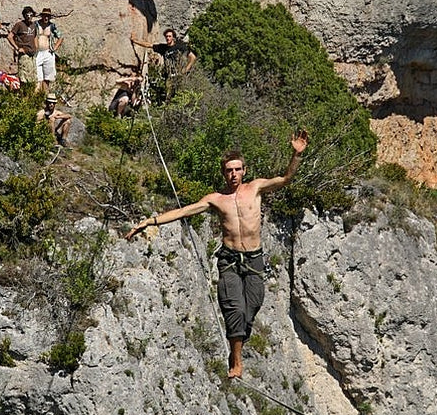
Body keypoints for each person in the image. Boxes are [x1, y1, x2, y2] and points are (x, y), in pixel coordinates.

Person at [125, 130, 309, 378]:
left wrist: (296, 155)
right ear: (224, 173)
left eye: (237, 169)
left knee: (252, 305)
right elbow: (185, 211)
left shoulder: (255, 189)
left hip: (254, 259)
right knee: (235, 308)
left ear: (244, 170)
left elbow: (285, 179)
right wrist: (151, 221)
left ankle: (237, 346)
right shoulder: (216, 199)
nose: (233, 174)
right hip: (230, 260)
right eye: (228, 171)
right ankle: (236, 360)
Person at [130, 28, 196, 101]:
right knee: (169, 96)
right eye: (166, 36)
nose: (168, 38)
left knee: (180, 95)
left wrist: (186, 69)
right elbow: (149, 45)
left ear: (173, 37)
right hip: (169, 76)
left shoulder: (180, 46)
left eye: (169, 36)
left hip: (179, 75)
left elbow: (192, 57)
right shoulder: (163, 48)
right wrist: (135, 41)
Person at [34, 8, 63, 93]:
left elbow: (60, 37)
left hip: (48, 52)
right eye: (45, 16)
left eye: (48, 16)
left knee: (48, 76)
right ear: (42, 16)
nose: (46, 18)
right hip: (38, 53)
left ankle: (45, 95)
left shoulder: (52, 26)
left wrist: (55, 47)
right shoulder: (36, 24)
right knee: (38, 77)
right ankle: (36, 96)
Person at [8, 7, 37, 85]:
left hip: (32, 54)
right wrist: (17, 48)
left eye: (31, 15)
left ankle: (29, 96)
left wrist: (36, 48)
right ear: (24, 15)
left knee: (32, 77)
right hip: (24, 53)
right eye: (27, 15)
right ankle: (23, 95)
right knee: (23, 77)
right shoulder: (19, 25)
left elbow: (35, 37)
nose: (29, 17)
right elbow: (10, 37)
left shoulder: (34, 25)